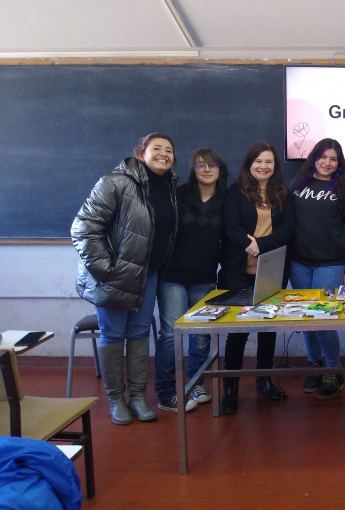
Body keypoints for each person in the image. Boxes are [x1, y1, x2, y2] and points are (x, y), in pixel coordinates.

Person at [71, 132, 178, 425]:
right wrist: (107, 270)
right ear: (141, 152)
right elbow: (83, 228)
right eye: (157, 148)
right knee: (114, 335)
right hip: (114, 278)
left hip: (148, 276)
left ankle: (139, 397)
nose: (164, 154)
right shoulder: (115, 182)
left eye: (169, 150)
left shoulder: (169, 187)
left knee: (140, 334)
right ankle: (116, 399)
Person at [219, 142, 294, 414]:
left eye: (269, 162)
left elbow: (288, 229)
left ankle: (264, 379)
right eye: (259, 161)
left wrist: (262, 245)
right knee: (237, 333)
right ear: (249, 164)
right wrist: (249, 245)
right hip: (238, 271)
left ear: (275, 166)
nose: (264, 166)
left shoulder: (283, 194)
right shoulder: (235, 193)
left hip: (271, 272)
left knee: (267, 329)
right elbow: (230, 226)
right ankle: (231, 387)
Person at [154, 148, 228, 411]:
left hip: (206, 277)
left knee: (201, 335)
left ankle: (197, 381)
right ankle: (165, 391)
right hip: (172, 275)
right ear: (193, 169)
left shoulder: (227, 200)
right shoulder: (178, 195)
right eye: (200, 165)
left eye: (212, 165)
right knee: (170, 335)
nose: (207, 170)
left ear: (220, 169)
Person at [289, 138, 345, 400]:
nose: (327, 163)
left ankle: (333, 370)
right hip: (299, 262)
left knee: (324, 318)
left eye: (333, 159)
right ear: (314, 157)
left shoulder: (344, 190)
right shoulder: (297, 185)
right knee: (306, 316)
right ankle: (314, 363)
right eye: (323, 157)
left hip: (331, 263)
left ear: (339, 164)